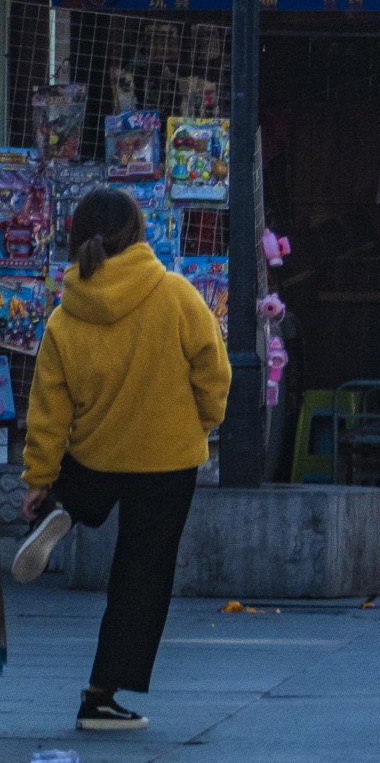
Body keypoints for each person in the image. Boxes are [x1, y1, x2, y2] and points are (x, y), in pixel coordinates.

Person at [12, 188, 230, 731]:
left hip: (96, 453)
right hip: (167, 456)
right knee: (142, 576)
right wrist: (204, 419)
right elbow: (213, 369)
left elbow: (48, 407)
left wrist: (39, 478)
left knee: (83, 480)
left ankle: (65, 506)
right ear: (138, 233)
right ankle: (100, 697)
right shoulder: (176, 294)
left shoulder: (66, 316)